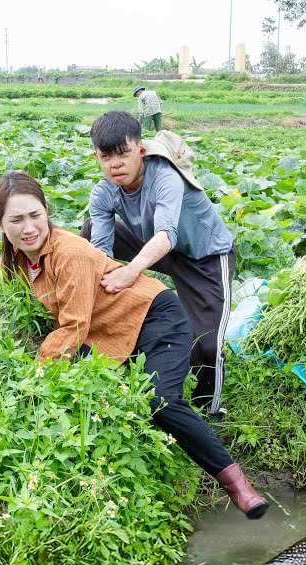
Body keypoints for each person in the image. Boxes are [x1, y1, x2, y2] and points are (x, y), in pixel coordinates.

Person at [0, 171, 269, 519]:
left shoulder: (69, 253)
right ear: (0, 223)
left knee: (160, 400)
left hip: (156, 319)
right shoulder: (15, 260)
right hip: (110, 333)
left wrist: (33, 375)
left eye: (35, 215)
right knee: (105, 390)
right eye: (16, 219)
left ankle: (238, 487)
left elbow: (74, 326)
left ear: (47, 211)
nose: (28, 227)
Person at [81, 110, 234, 422]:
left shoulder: (165, 176)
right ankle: (111, 322)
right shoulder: (104, 191)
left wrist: (130, 271)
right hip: (156, 248)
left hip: (204, 256)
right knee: (86, 232)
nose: (115, 165)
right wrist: (105, 281)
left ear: (139, 151)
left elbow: (167, 234)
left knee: (205, 345)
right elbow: (100, 248)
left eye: (123, 154)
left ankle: (210, 411)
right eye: (106, 156)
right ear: (96, 156)